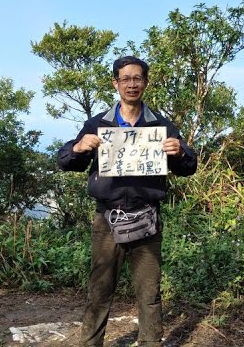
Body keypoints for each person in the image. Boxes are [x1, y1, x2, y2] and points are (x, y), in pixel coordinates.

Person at [57, 55, 198, 347]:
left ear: (145, 82)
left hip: (147, 219)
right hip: (107, 220)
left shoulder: (160, 125)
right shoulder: (98, 124)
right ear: (116, 83)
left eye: (137, 78)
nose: (131, 84)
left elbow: (188, 168)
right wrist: (79, 147)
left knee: (150, 293)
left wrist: (181, 152)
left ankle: (150, 343)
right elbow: (66, 161)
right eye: (125, 79)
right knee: (99, 290)